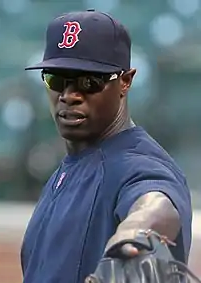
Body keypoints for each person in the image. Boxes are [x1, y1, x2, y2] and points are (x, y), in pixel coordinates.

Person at [22, 9, 192, 283]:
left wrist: (136, 232)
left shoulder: (138, 164)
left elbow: (157, 203)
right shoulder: (67, 170)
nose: (68, 95)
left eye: (89, 81)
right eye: (56, 79)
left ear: (125, 81)